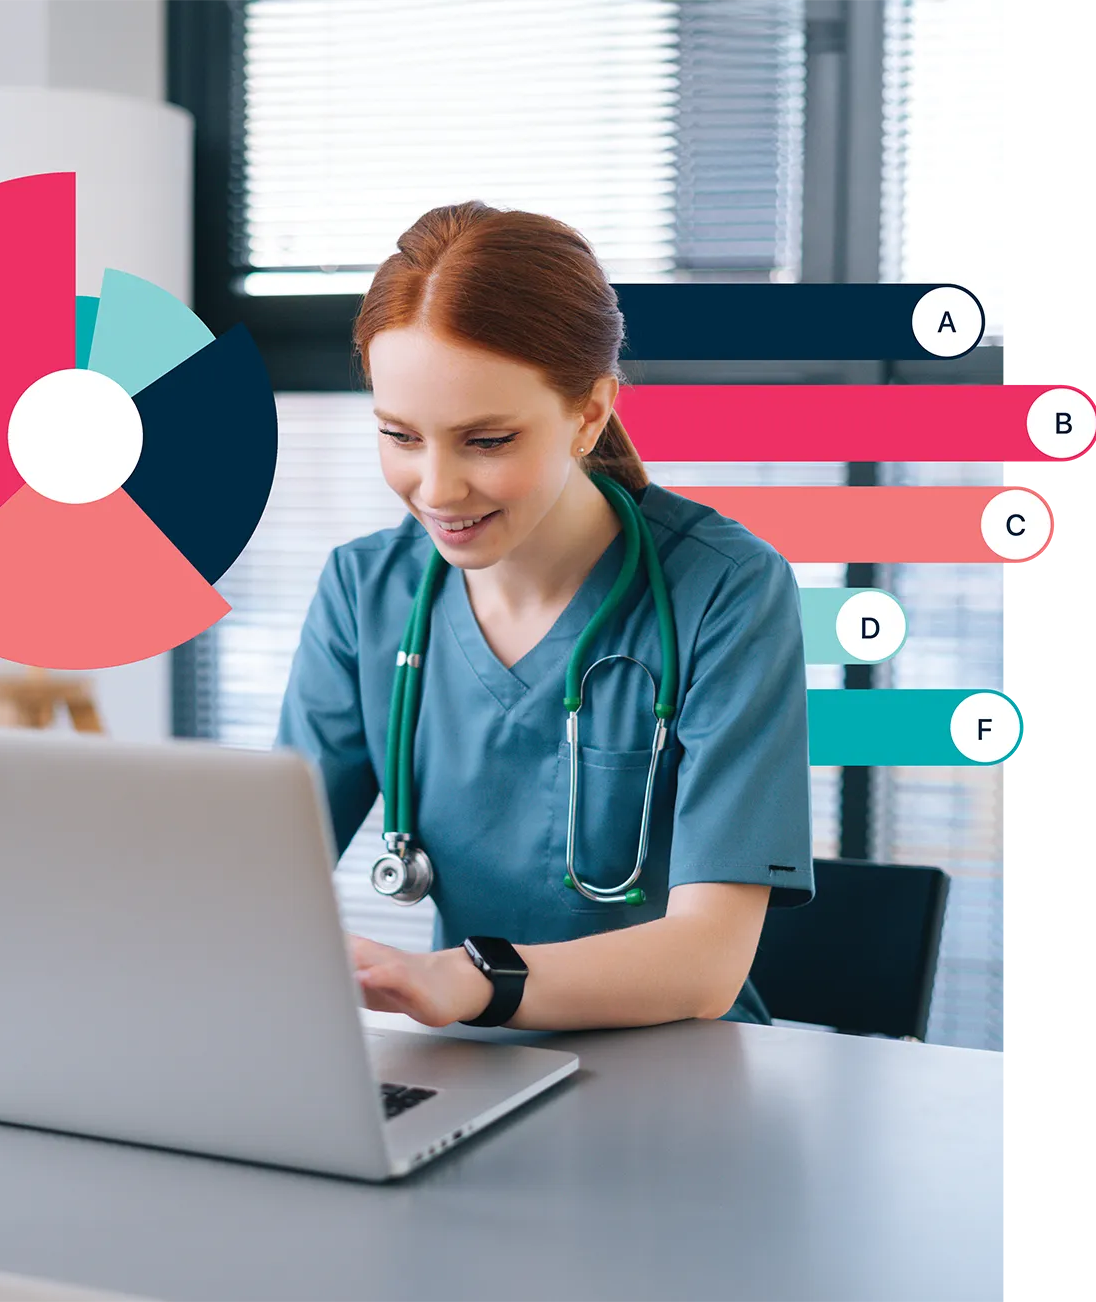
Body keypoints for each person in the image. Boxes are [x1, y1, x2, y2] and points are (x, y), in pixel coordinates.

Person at [274, 201, 814, 1032]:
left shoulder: (727, 591)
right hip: (469, 1068)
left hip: (682, 1081)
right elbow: (261, 877)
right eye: (400, 436)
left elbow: (707, 962)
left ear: (590, 412)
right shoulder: (364, 593)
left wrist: (472, 981)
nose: (438, 489)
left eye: (486, 441)